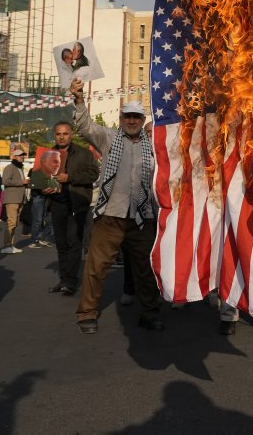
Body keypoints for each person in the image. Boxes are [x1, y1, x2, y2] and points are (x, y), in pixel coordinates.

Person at [69, 80, 162, 334]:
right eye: (127, 116)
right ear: (120, 119)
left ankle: (149, 313)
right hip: (110, 215)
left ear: (143, 120)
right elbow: (85, 126)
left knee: (147, 269)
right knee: (96, 266)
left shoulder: (154, 146)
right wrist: (79, 100)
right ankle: (87, 313)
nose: (131, 121)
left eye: (136, 117)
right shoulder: (108, 137)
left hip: (143, 217)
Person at [44, 120, 99, 297]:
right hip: (57, 203)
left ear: (71, 134)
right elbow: (40, 178)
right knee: (61, 244)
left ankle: (70, 282)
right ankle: (64, 279)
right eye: (58, 134)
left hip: (77, 204)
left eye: (65, 133)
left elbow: (93, 174)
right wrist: (42, 188)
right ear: (55, 135)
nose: (61, 137)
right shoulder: (47, 154)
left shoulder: (84, 153)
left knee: (74, 243)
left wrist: (70, 177)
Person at [0, 149, 29, 254]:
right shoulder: (10, 167)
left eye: (23, 155)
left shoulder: (19, 168)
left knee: (15, 222)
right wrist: (22, 182)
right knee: (11, 222)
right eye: (20, 155)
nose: (23, 157)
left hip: (19, 198)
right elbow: (5, 181)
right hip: (12, 198)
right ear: (15, 156)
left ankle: (10, 245)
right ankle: (6, 245)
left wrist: (26, 183)